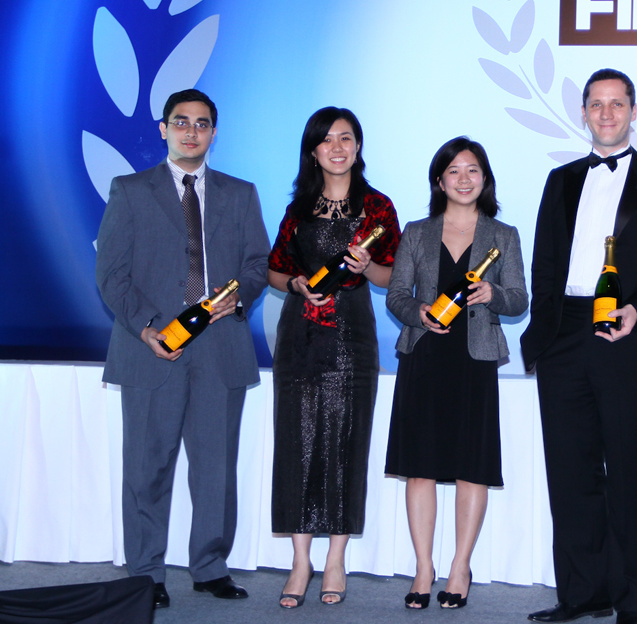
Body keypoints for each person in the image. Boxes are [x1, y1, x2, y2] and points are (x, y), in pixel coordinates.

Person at [521, 70, 637, 624]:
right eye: (596, 104)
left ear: (633, 111)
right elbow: (544, 264)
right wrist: (545, 332)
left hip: (629, 337)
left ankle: (630, 600)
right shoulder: (559, 180)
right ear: (583, 113)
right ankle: (581, 594)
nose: (606, 114)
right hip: (565, 335)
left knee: (629, 475)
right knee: (570, 475)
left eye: (616, 104)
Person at [95, 89, 270, 609]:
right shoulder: (129, 190)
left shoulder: (241, 194)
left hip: (221, 348)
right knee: (147, 468)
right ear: (163, 129)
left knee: (215, 468)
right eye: (181, 121)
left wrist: (239, 296)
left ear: (215, 132)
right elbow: (111, 275)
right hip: (152, 348)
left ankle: (210, 567)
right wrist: (149, 327)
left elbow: (258, 265)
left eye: (201, 123)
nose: (191, 131)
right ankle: (146, 573)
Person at [384, 137, 528, 610]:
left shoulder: (503, 234)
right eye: (454, 171)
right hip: (423, 357)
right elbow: (396, 296)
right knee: (420, 468)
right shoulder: (416, 231)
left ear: (485, 178)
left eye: (473, 170)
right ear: (439, 180)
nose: (464, 179)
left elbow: (519, 299)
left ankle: (460, 566)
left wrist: (494, 295)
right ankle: (423, 568)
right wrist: (419, 312)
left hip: (474, 361)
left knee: (472, 467)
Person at [267, 107, 400, 608]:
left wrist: (368, 269)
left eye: (346, 138)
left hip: (352, 335)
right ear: (313, 150)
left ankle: (337, 559)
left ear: (358, 146)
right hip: (299, 335)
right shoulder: (298, 208)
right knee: (296, 442)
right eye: (327, 140)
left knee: (346, 442)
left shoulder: (377, 207)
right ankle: (300, 561)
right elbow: (275, 271)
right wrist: (296, 284)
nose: (337, 147)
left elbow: (394, 276)